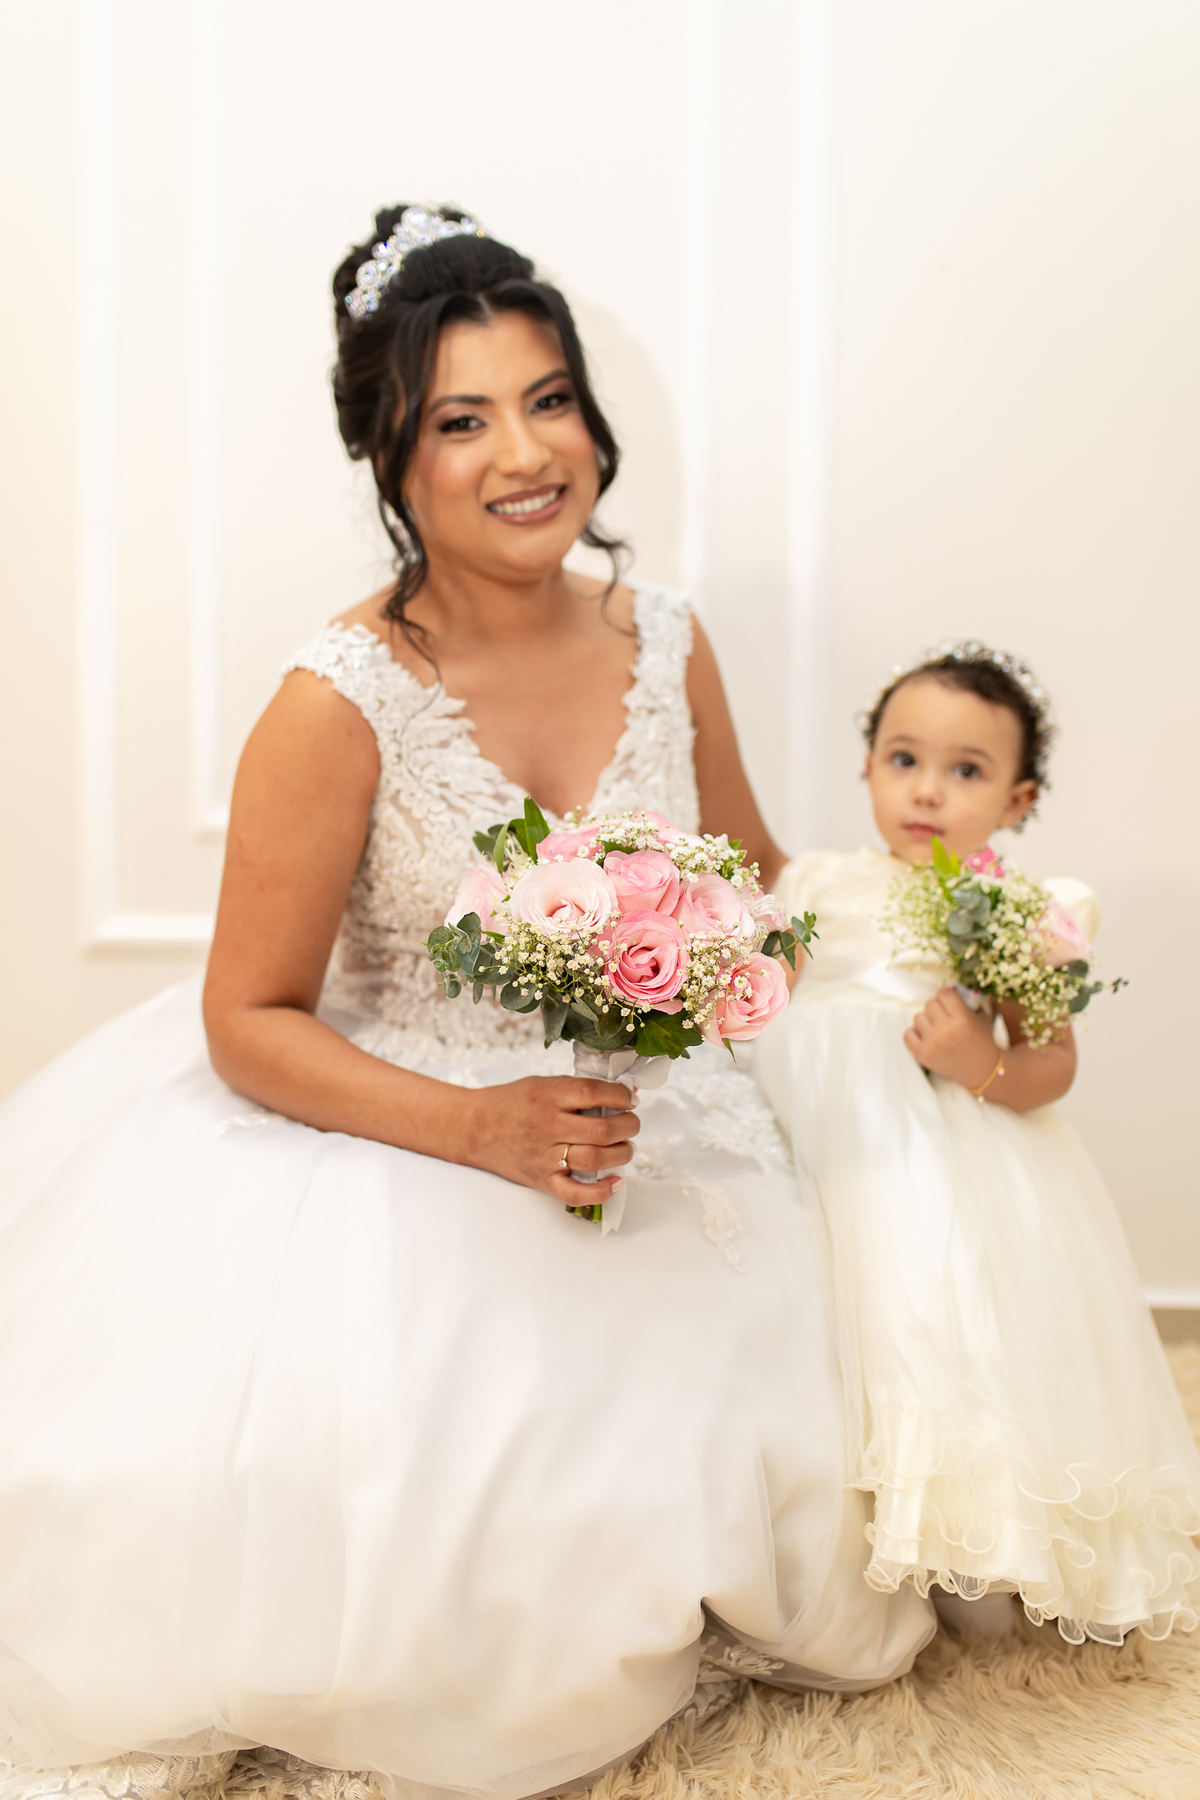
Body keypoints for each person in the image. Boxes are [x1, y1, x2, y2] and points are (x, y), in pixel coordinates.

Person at [0, 207, 932, 1800]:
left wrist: (919, 955)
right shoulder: (337, 701)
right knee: (458, 1510)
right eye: (462, 419)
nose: (525, 452)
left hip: (660, 1111)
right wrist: (482, 1129)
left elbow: (757, 884)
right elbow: (248, 1017)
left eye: (550, 399)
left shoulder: (667, 639)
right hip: (412, 1119)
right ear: (390, 454)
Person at [755, 644, 1200, 1643]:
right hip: (805, 1137)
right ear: (867, 766)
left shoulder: (1016, 913)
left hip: (927, 1158)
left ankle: (977, 1544)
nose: (927, 790)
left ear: (1017, 799)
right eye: (903, 759)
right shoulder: (818, 881)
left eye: (966, 770)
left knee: (932, 1320)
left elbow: (1052, 1061)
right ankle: (823, 1550)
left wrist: (980, 1062)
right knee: (810, 1325)